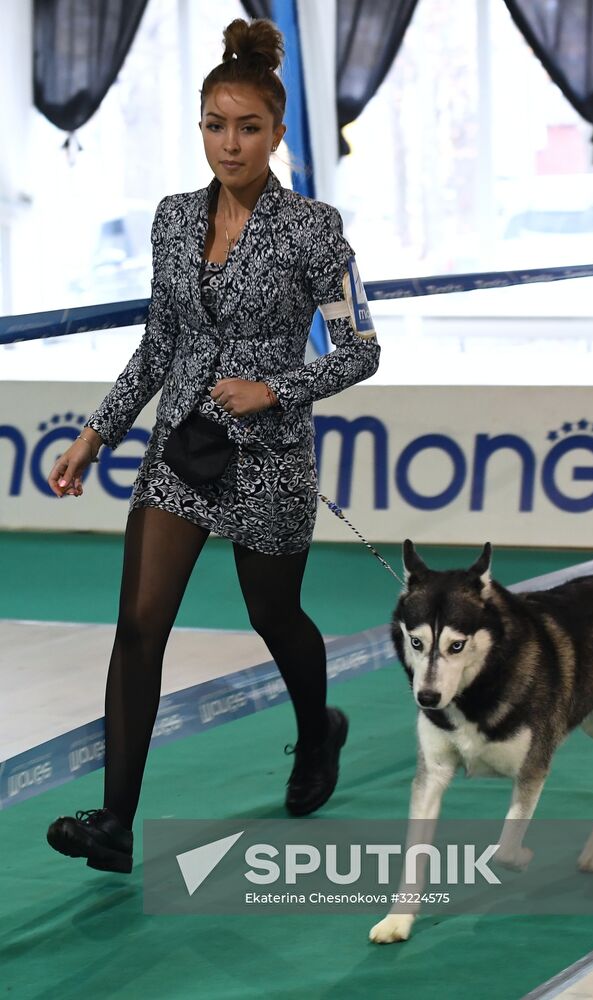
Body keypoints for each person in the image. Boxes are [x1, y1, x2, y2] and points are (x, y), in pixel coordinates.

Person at [45, 17, 380, 875]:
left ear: (276, 132)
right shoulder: (171, 220)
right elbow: (160, 345)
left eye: (248, 128)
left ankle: (318, 731)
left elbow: (361, 351)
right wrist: (96, 433)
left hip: (270, 458)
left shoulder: (314, 228)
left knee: (275, 617)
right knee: (138, 624)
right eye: (215, 125)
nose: (230, 144)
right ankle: (115, 823)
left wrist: (277, 387)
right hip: (181, 450)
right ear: (200, 127)